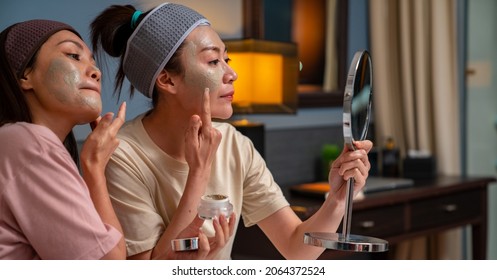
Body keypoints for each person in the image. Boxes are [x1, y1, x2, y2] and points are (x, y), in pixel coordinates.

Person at [91, 3, 372, 260]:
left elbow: (297, 248)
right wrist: (198, 173)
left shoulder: (235, 144)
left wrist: (337, 198)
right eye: (214, 61)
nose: (231, 74)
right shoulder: (123, 155)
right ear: (167, 79)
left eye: (228, 60)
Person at [0, 19, 228, 260]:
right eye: (73, 56)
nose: (95, 72)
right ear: (25, 74)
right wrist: (95, 170)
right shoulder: (28, 143)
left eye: (93, 62)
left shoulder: (20, 143)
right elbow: (110, 265)